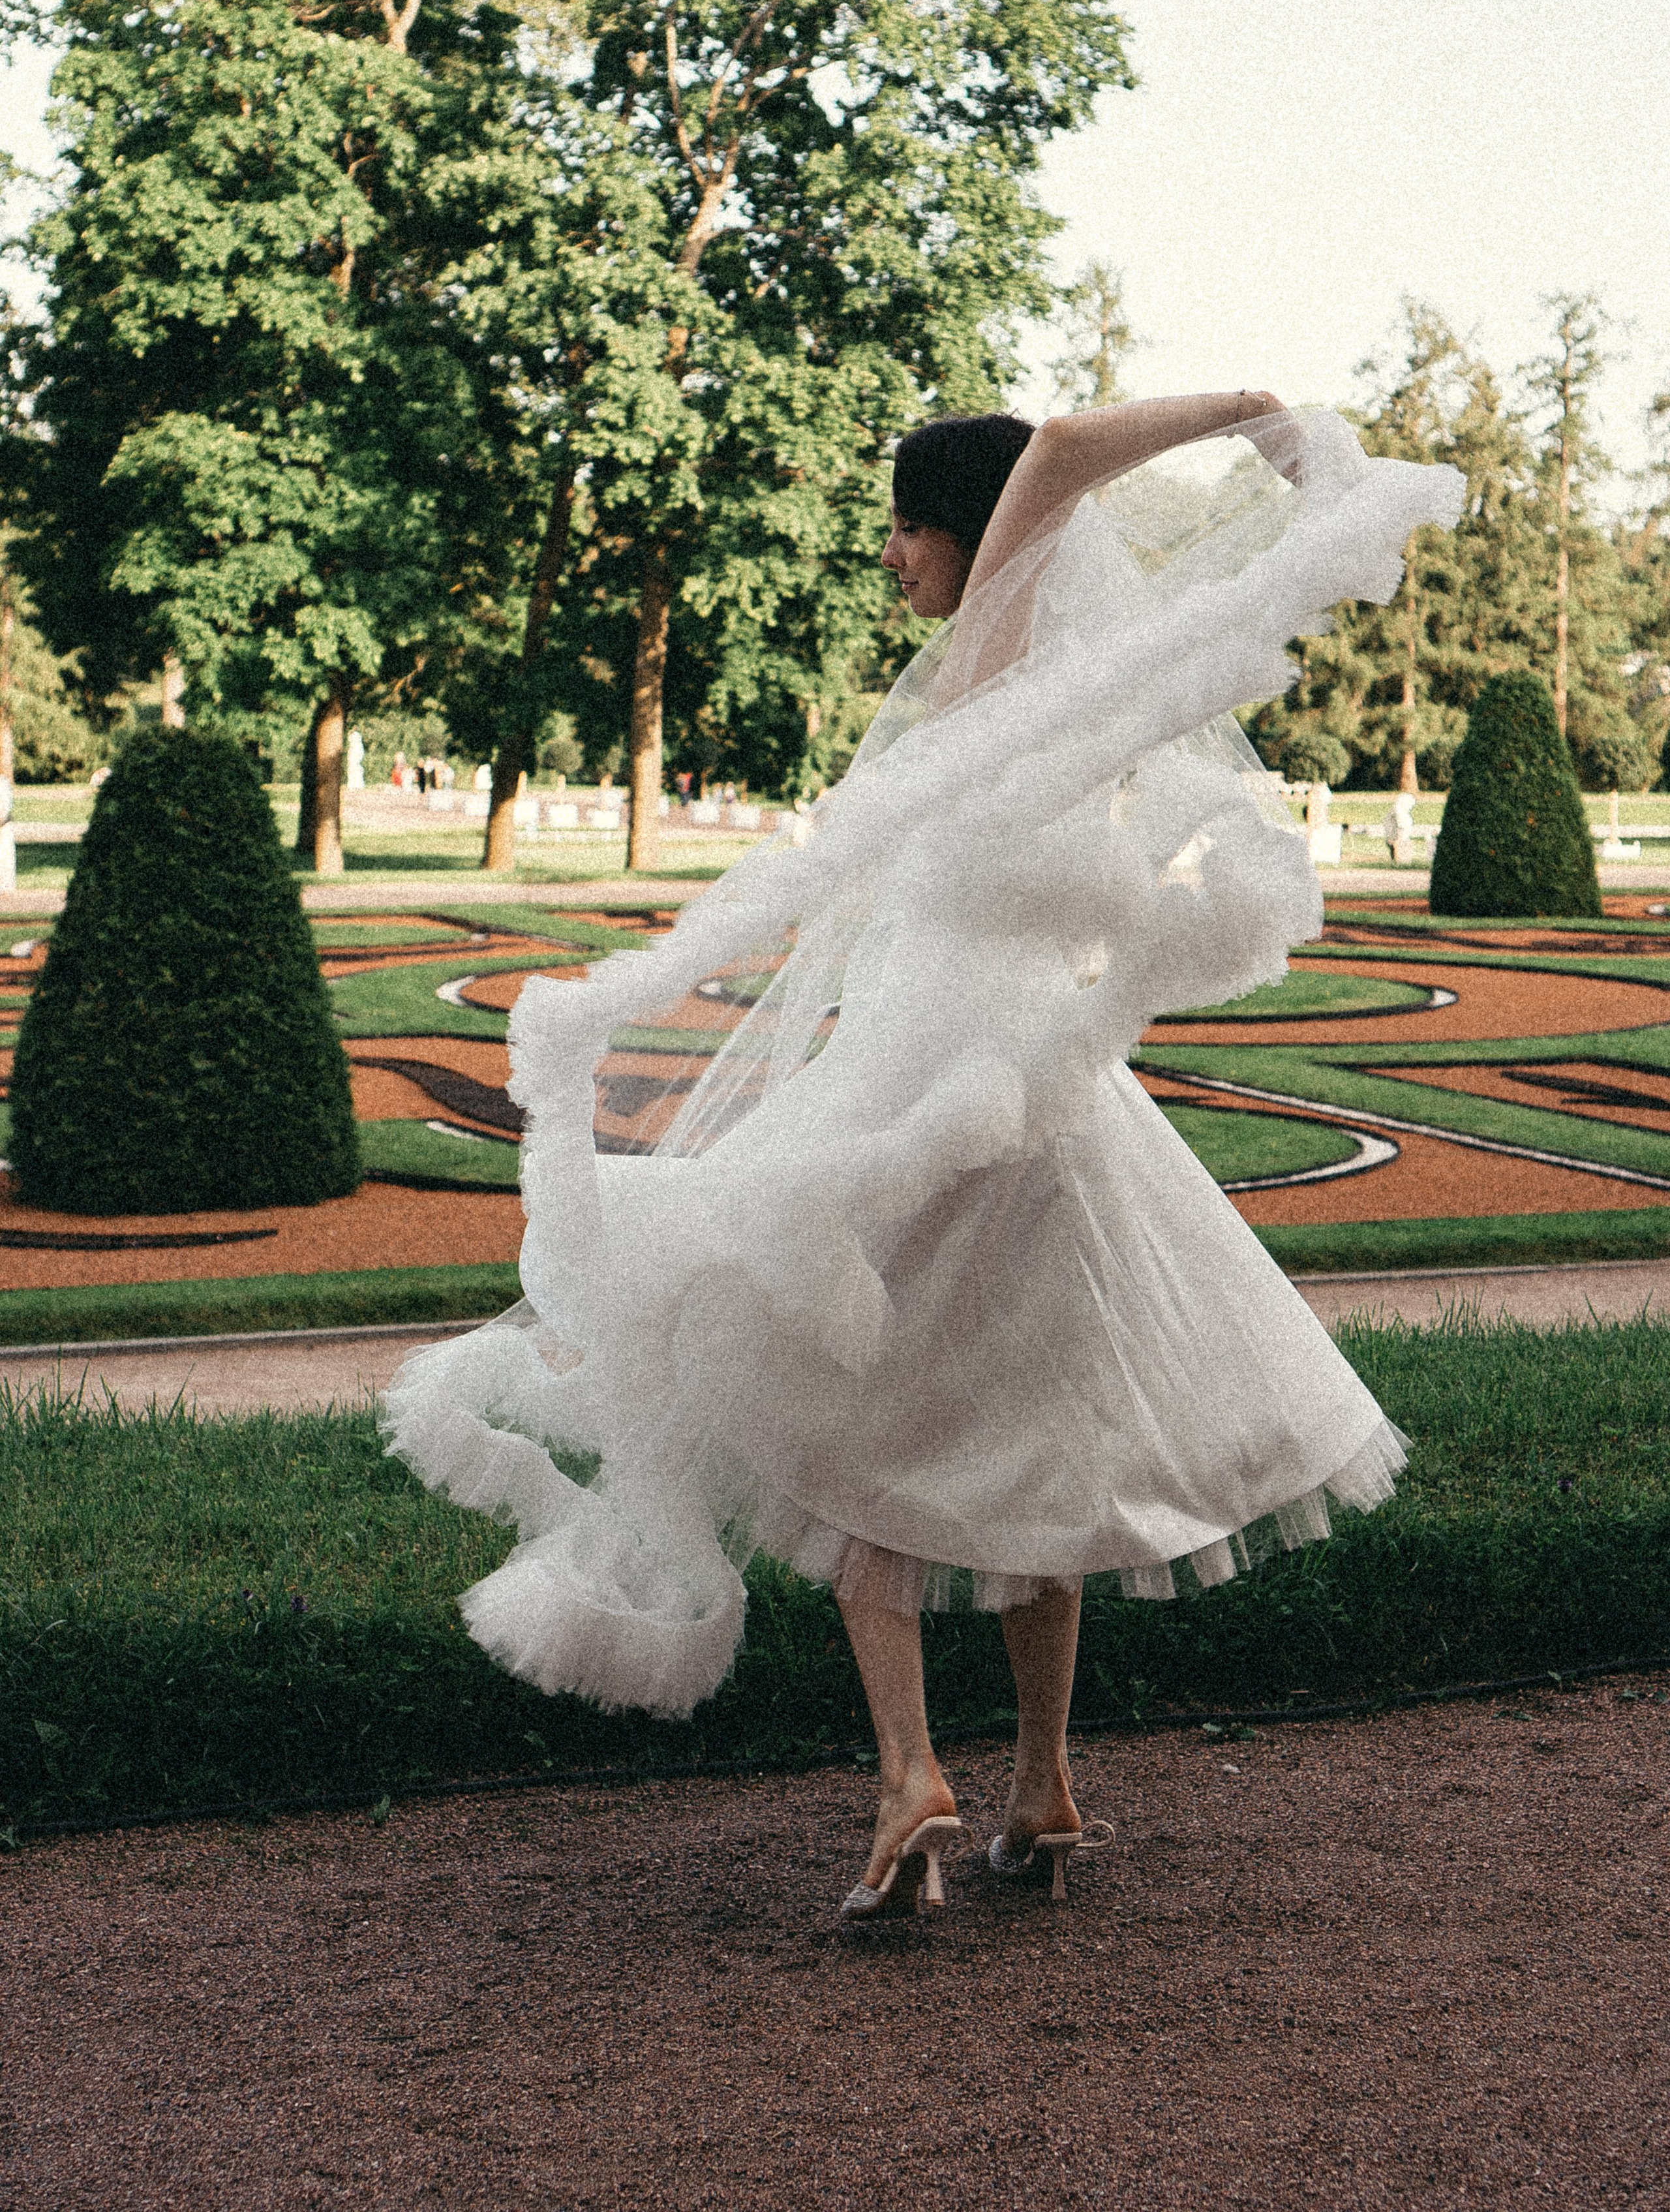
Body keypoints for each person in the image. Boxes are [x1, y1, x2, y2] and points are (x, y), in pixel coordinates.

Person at [383, 390, 1464, 1921]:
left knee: (829, 1416)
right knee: (1041, 1435)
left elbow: (1069, 438)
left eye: (904, 523)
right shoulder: (1092, 688)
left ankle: (912, 1771)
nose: (888, 552)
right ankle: (1043, 1779)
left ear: (982, 528)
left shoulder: (1002, 656)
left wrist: (1258, 416)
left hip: (924, 1080)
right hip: (1052, 1091)